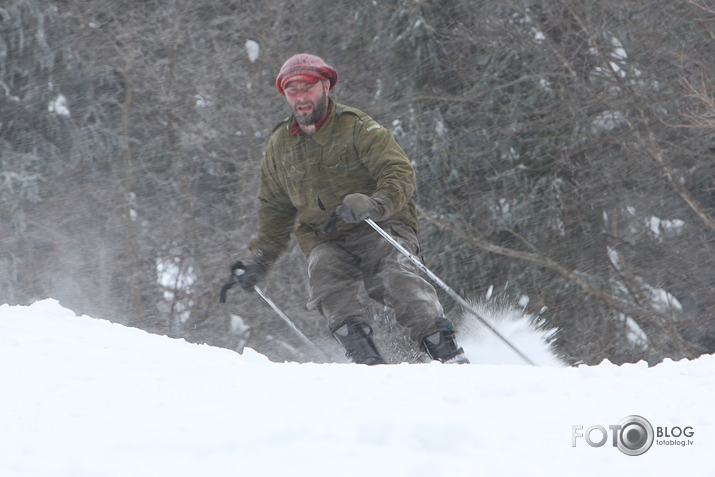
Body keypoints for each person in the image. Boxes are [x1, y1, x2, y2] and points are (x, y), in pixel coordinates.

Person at [233, 53, 468, 364]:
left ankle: (445, 352)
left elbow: (399, 172)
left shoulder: (357, 127)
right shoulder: (280, 145)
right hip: (327, 238)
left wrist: (374, 203)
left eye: (309, 88)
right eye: (293, 91)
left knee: (396, 276)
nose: (302, 98)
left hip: (380, 226)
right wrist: (260, 261)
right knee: (324, 275)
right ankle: (366, 361)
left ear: (326, 87)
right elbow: (274, 210)